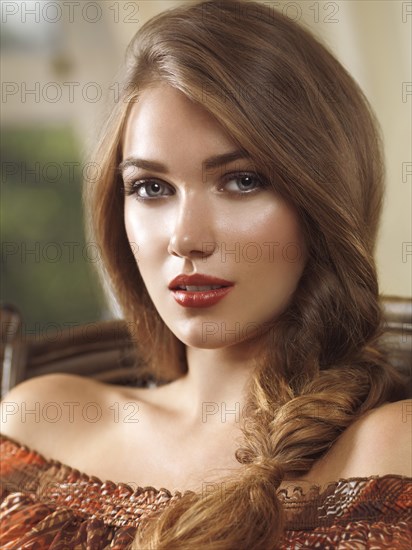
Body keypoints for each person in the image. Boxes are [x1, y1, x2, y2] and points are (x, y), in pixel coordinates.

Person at [1, 0, 411, 548]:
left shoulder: (388, 450)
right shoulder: (38, 422)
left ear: (323, 202)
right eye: (152, 188)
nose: (185, 238)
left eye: (242, 182)